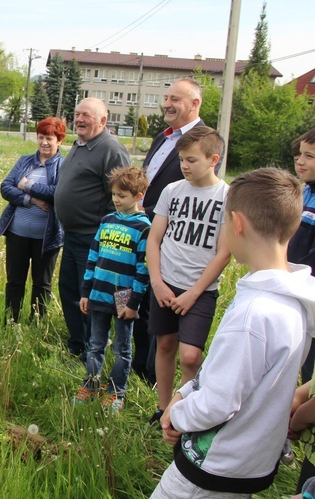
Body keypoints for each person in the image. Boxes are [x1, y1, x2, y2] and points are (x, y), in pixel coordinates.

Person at [153, 167, 315, 498]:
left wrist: (176, 414)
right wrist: (184, 393)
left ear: (236, 224)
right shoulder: (294, 298)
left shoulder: (253, 314)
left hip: (209, 472)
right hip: (248, 464)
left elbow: (217, 403)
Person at [146, 126, 231, 426]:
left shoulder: (227, 197)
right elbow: (154, 240)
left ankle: (185, 412)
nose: (184, 166)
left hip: (200, 291)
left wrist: (194, 293)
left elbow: (224, 253)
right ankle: (163, 408)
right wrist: (157, 282)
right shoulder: (172, 191)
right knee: (165, 344)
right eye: (182, 159)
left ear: (213, 159)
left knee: (191, 356)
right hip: (165, 285)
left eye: (191, 160)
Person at [133, 77, 205, 386]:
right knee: (140, 297)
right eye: (166, 98)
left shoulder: (205, 141)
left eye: (175, 99)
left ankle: (152, 375)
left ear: (194, 104)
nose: (167, 104)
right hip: (144, 229)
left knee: (158, 305)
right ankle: (139, 365)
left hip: (173, 240)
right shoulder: (162, 138)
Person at [53, 97, 131, 359]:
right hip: (72, 235)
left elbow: (121, 197)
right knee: (69, 290)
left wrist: (106, 237)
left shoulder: (111, 150)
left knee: (91, 297)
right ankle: (76, 343)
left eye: (86, 115)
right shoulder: (79, 145)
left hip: (93, 238)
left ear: (103, 121)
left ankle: (91, 349)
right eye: (77, 114)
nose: (79, 119)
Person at [74, 167, 151, 411]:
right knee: (95, 344)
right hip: (99, 291)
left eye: (123, 195)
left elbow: (143, 269)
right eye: (114, 195)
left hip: (123, 297)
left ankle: (117, 392)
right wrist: (86, 292)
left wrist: (133, 303)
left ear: (138, 196)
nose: (116, 200)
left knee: (122, 348)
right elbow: (92, 257)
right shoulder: (107, 221)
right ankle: (91, 384)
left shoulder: (144, 228)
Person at [0, 117, 65, 324]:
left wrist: (28, 185)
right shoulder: (25, 161)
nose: (44, 142)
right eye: (41, 137)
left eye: (49, 138)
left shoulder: (63, 166)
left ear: (59, 141)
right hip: (17, 233)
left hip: (47, 237)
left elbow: (58, 194)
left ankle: (37, 323)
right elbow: (5, 187)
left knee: (42, 283)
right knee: (14, 281)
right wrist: (32, 199)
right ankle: (11, 320)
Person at [289, 129, 315, 383]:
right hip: (295, 288)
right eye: (300, 154)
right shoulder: (303, 192)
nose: (300, 161)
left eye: (310, 156)